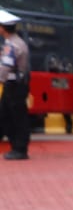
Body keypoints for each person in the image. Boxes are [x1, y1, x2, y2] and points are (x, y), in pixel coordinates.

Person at [1, 9, 31, 160]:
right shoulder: (15, 42)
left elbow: (5, 66)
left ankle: (19, 148)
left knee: (15, 116)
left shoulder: (12, 45)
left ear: (3, 28)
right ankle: (17, 147)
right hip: (16, 83)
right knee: (8, 115)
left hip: (14, 84)